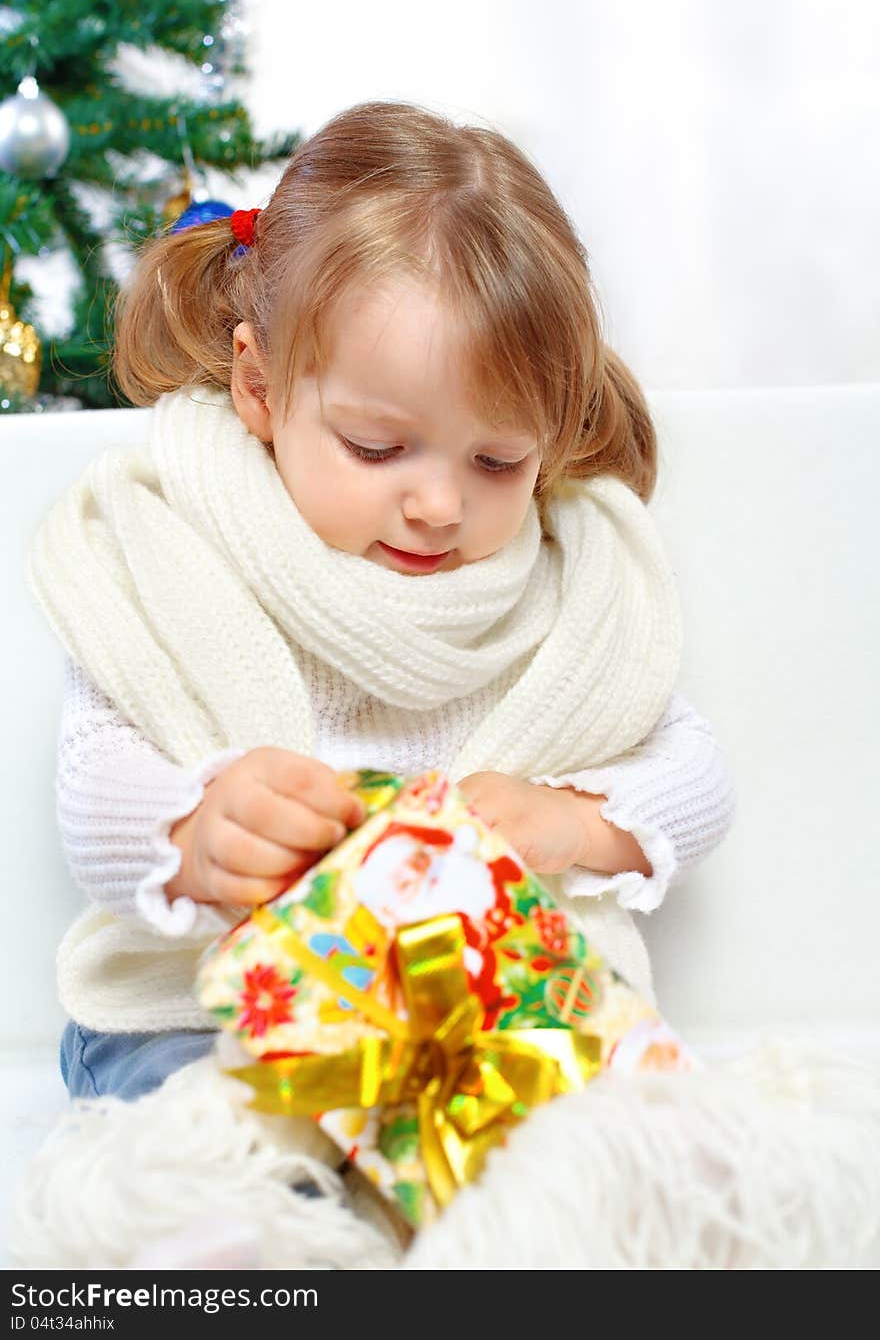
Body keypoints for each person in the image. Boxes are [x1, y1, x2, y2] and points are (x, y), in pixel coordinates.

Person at [28, 98, 735, 1120]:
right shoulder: (179, 546)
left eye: (497, 460)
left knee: (617, 1145)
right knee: (227, 1150)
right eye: (376, 447)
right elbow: (92, 787)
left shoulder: (556, 583)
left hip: (465, 1027)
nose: (440, 504)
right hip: (198, 1020)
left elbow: (694, 776)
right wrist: (195, 830)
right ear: (259, 387)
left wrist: (572, 822)